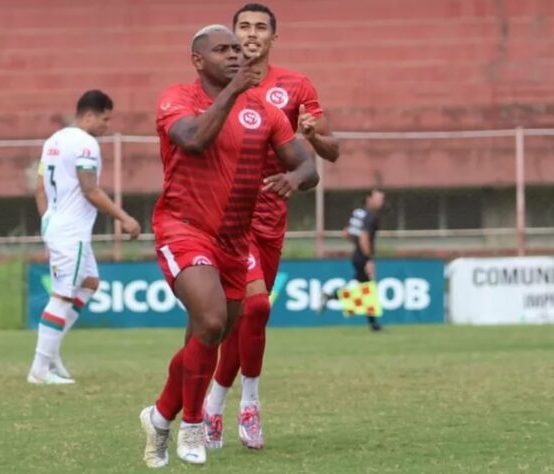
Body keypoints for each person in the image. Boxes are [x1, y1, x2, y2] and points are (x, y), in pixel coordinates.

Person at [139, 25, 319, 468]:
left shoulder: (265, 111)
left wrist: (294, 178)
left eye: (237, 49)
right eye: (222, 50)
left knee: (207, 335)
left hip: (235, 240)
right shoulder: (175, 99)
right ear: (198, 60)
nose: (235, 55)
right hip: (184, 227)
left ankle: (160, 417)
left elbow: (308, 165)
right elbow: (194, 139)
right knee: (213, 319)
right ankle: (194, 424)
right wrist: (234, 91)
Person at [203, 2, 341, 451]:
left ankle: (214, 405)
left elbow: (329, 150)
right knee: (257, 308)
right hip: (228, 218)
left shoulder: (295, 86)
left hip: (272, 218)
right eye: (243, 26)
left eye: (260, 27)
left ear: (272, 38)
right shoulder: (217, 85)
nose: (251, 33)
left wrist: (314, 135)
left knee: (248, 317)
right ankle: (250, 403)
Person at [28, 90, 141, 385]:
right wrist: (124, 218)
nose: (107, 126)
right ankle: (39, 369)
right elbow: (90, 190)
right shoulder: (85, 144)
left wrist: (48, 222)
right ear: (89, 115)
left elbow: (40, 188)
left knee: (89, 283)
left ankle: (51, 355)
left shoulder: (53, 141)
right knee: (63, 294)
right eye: (105, 119)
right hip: (71, 231)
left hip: (56, 223)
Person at [319, 189, 386, 331]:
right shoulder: (370, 217)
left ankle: (374, 324)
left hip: (357, 254)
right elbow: (363, 236)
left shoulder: (359, 213)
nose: (381, 202)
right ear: (369, 199)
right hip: (363, 256)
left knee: (364, 288)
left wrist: (357, 245)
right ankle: (331, 296)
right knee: (367, 288)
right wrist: (368, 259)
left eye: (382, 199)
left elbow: (346, 233)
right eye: (378, 198)